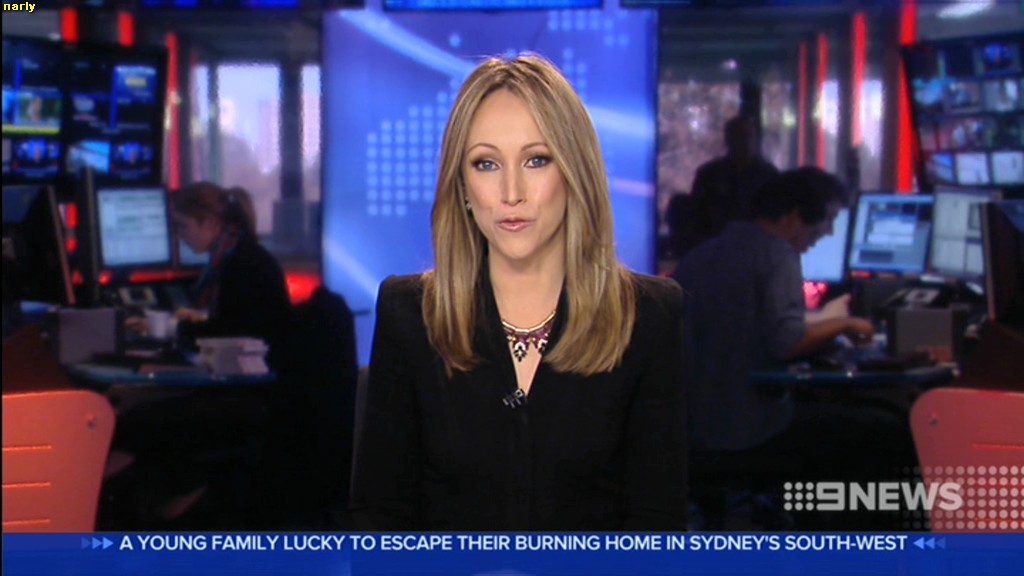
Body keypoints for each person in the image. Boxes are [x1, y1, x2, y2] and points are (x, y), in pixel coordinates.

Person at [349, 54, 687, 531]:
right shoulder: (409, 314)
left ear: (574, 172)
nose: (511, 192)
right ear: (463, 187)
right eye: (486, 164)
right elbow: (380, 526)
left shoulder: (649, 317)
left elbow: (655, 529)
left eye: (536, 160)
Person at [672, 168, 914, 527]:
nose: (829, 232)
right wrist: (844, 324)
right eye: (827, 219)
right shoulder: (776, 254)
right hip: (744, 429)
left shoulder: (704, 254)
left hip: (690, 429)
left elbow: (747, 332)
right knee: (889, 430)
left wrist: (821, 326)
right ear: (796, 216)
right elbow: (787, 343)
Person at [171, 182, 291, 368]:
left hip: (256, 377)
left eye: (183, 226)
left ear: (210, 223)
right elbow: (234, 322)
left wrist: (174, 329)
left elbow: (228, 335)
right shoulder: (237, 253)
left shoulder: (241, 265)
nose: (179, 236)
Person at [684, 114, 779, 254]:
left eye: (748, 137)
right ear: (727, 140)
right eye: (739, 137)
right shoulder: (709, 175)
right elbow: (697, 217)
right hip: (715, 249)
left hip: (757, 250)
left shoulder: (769, 175)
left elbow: (775, 219)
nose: (745, 143)